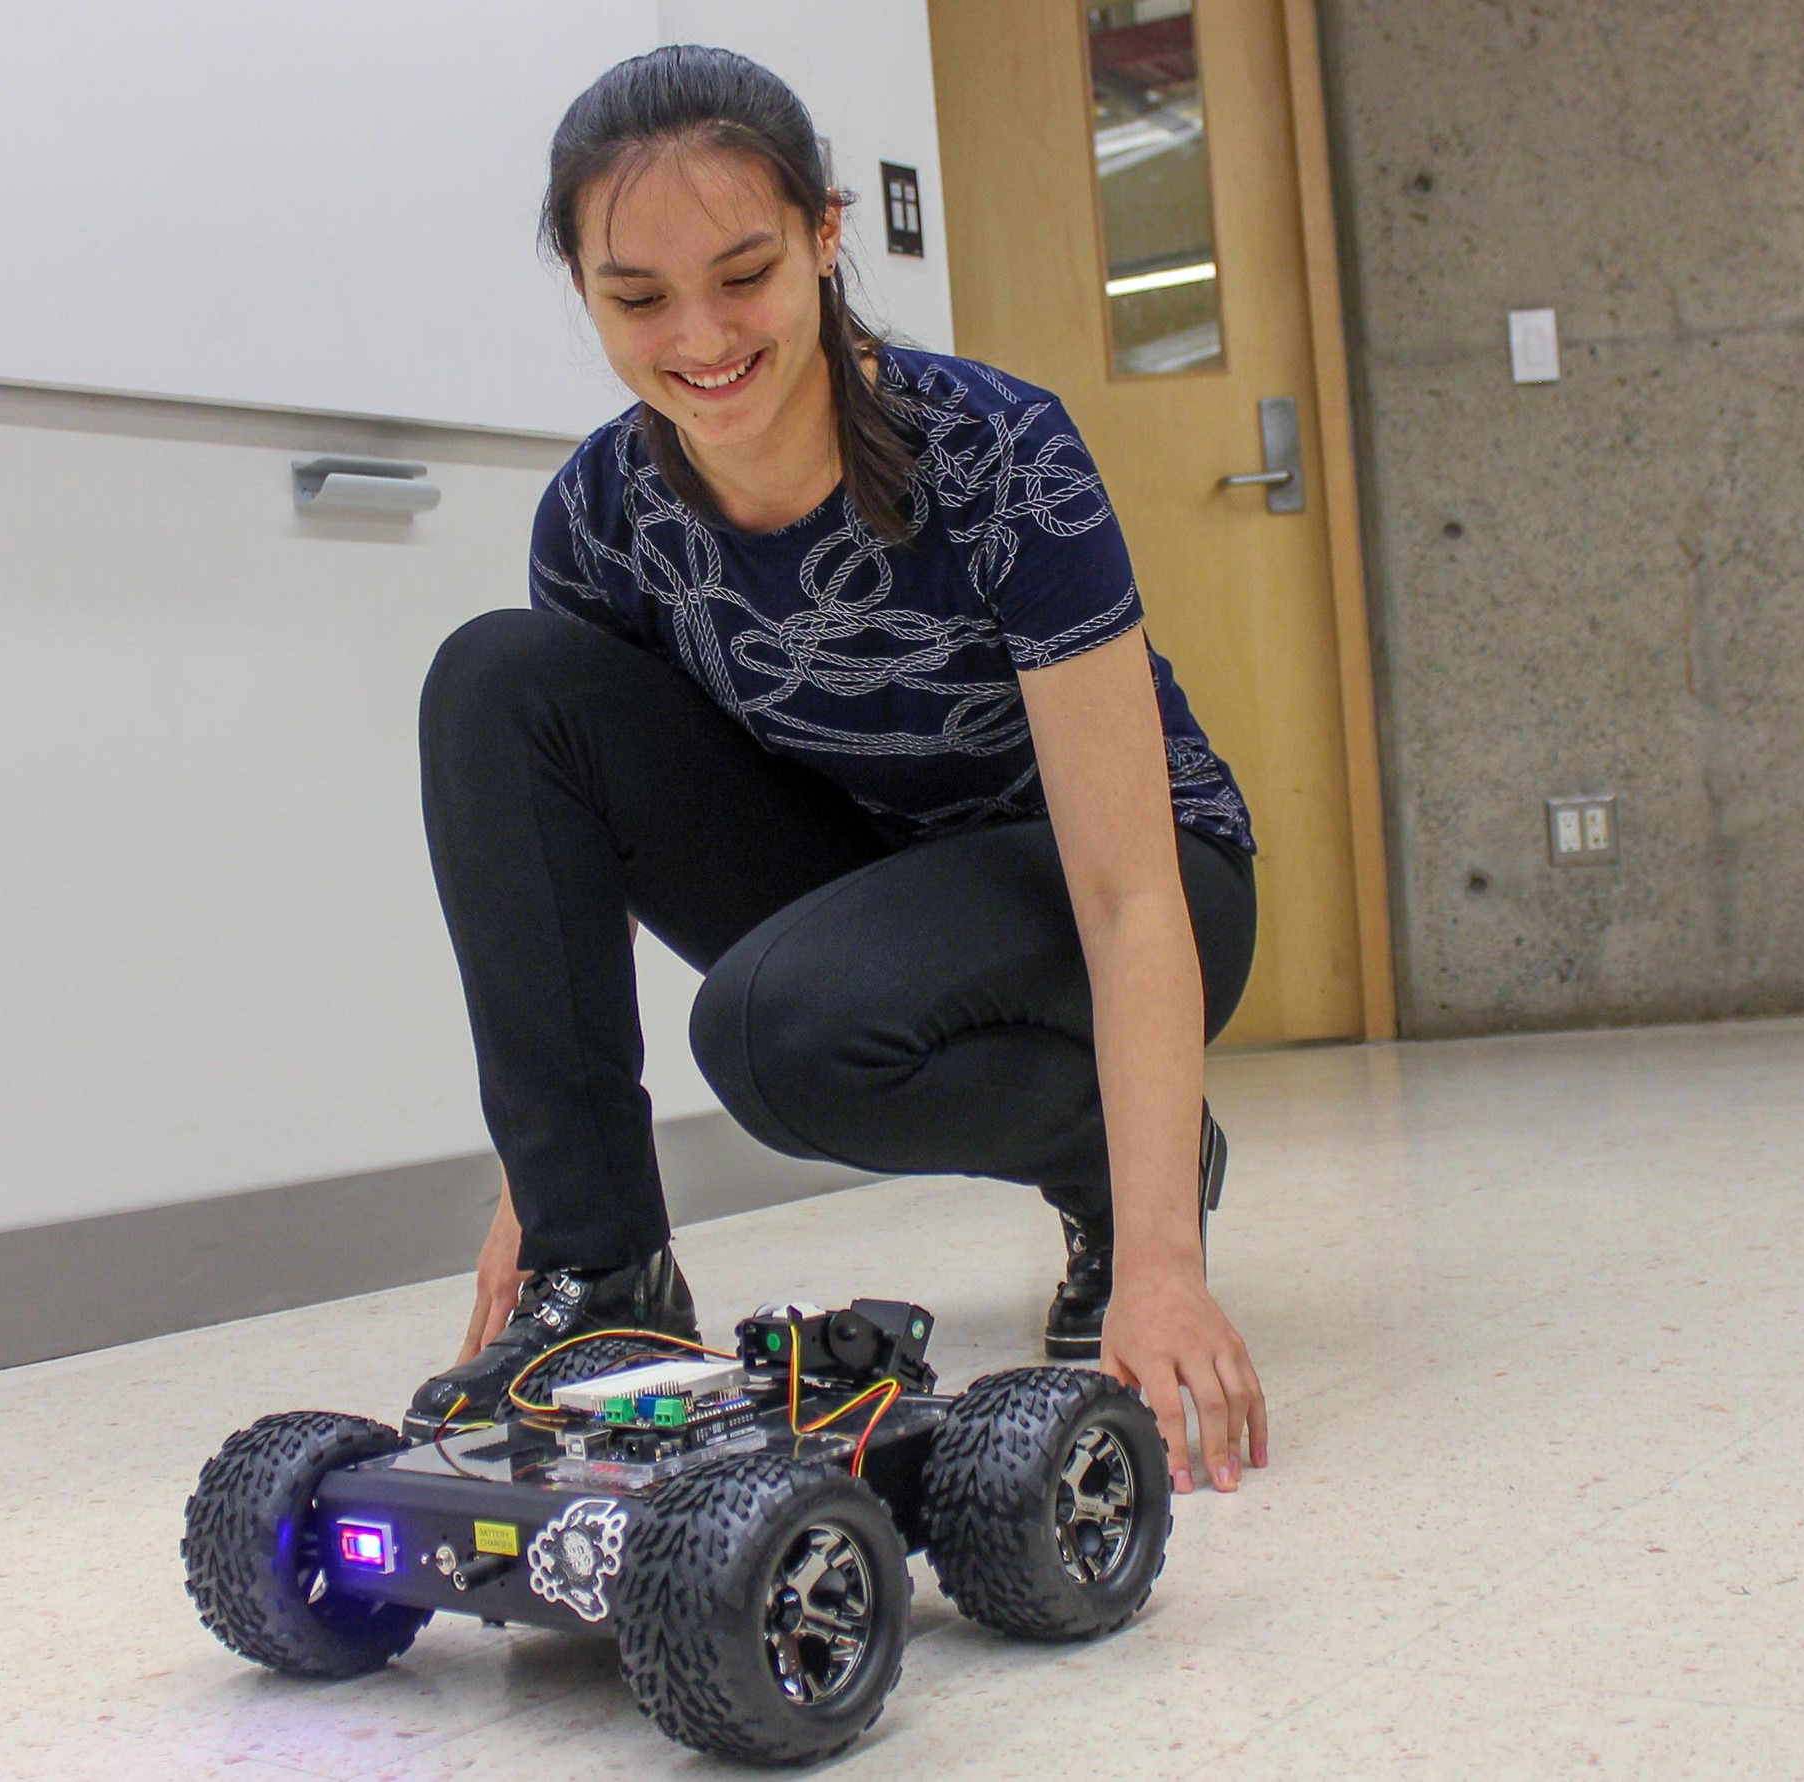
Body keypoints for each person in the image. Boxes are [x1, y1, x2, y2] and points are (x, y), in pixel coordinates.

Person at [410, 45, 1267, 1494]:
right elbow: (570, 857)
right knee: (495, 677)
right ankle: (606, 1286)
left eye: (742, 274)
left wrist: (1165, 1268)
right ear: (584, 291)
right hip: (869, 885)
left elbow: (1124, 886)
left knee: (775, 1034)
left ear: (822, 233)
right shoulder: (604, 515)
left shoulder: (996, 454)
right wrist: (544, 1198)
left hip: (1113, 882)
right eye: (637, 297)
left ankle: (1135, 1155)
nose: (699, 336)